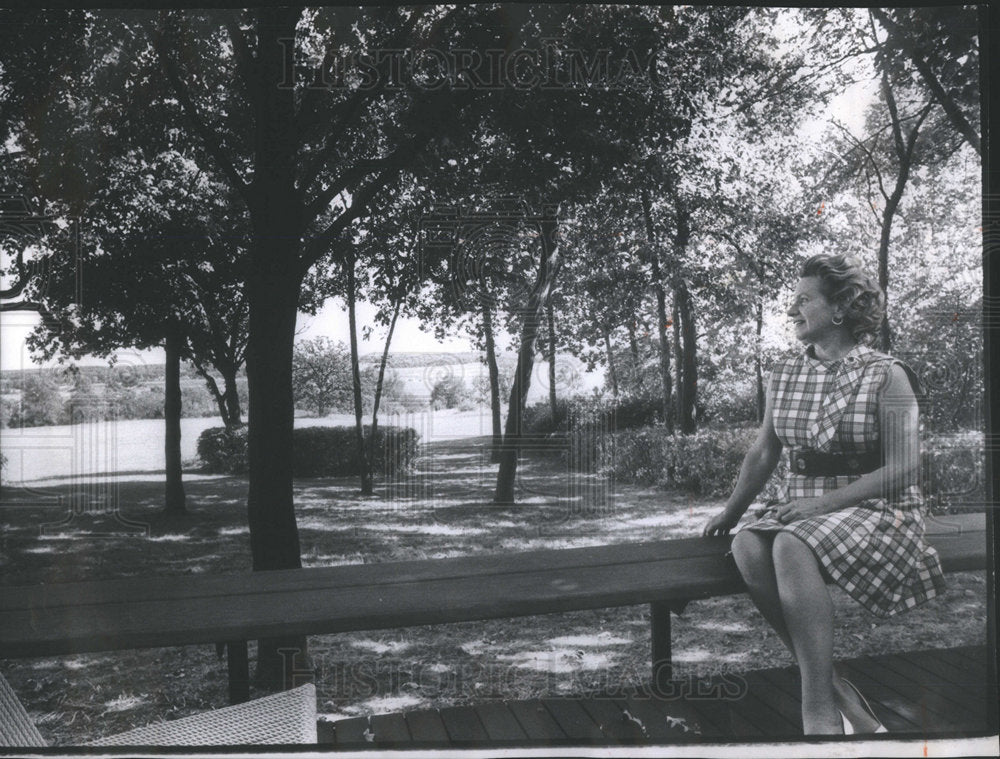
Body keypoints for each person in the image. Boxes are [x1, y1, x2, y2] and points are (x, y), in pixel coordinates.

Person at [703, 253, 946, 736]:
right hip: (805, 505)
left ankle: (817, 709)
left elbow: (906, 468)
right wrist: (731, 512)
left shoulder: (887, 374)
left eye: (802, 300)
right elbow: (764, 451)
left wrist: (821, 505)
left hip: (880, 507)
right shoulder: (784, 371)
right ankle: (838, 690)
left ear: (839, 309)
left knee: (792, 542)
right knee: (748, 544)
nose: (791, 310)